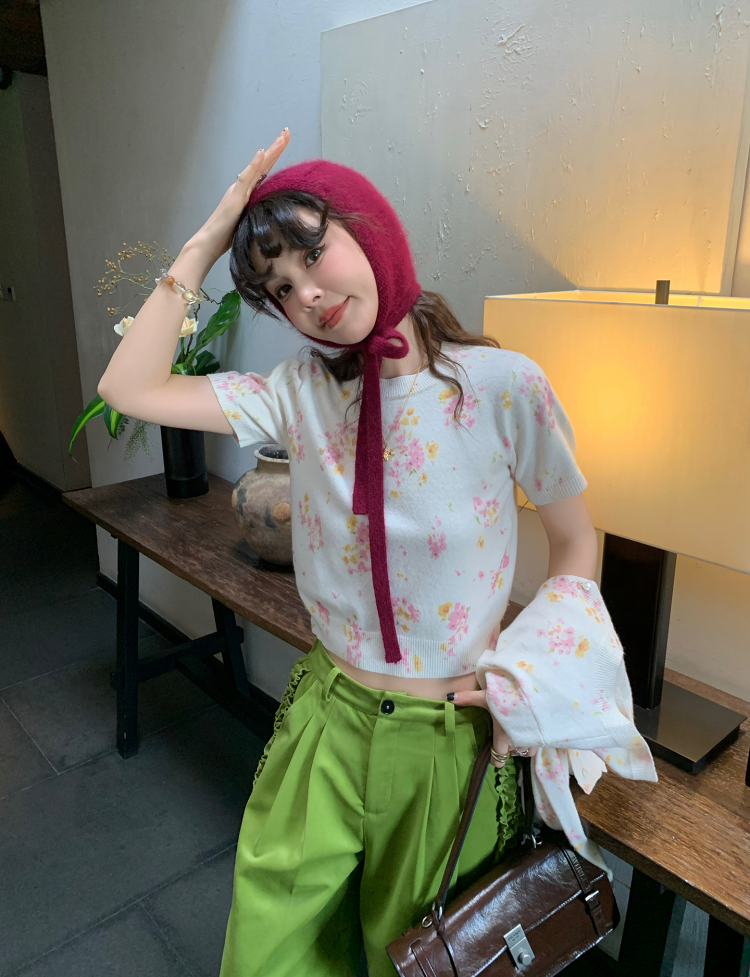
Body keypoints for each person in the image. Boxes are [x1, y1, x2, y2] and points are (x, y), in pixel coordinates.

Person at [98, 129, 605, 976]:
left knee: (421, 958)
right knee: (267, 956)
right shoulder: (297, 394)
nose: (306, 294)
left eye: (312, 253)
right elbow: (128, 386)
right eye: (279, 287)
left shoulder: (502, 387)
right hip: (324, 719)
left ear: (369, 228)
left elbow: (576, 539)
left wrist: (533, 670)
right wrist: (210, 238)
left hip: (449, 742)